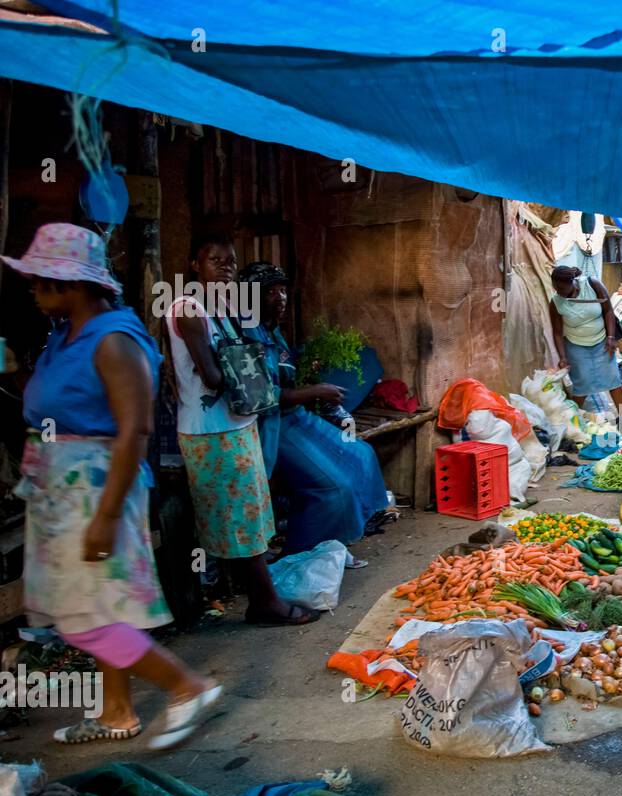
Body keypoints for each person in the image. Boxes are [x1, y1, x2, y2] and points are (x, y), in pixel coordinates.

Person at [3, 223, 221, 747]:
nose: (33, 292)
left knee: (83, 618)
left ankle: (187, 687)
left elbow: (135, 430)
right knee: (94, 605)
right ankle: (116, 713)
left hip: (94, 490)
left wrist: (104, 515)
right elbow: (48, 407)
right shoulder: (66, 336)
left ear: (75, 286)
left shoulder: (115, 339)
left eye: (41, 282)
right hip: (61, 488)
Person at [165, 233, 319, 626]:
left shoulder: (226, 306)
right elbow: (214, 377)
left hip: (238, 423)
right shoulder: (187, 309)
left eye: (231, 261)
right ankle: (264, 602)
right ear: (194, 265)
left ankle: (255, 596)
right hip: (211, 431)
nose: (226, 267)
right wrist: (249, 371)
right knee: (239, 517)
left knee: (246, 514)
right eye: (214, 259)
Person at [239, 262, 390, 555]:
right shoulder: (246, 336)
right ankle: (304, 554)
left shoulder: (272, 331)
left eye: (283, 291)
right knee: (335, 488)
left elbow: (286, 368)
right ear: (251, 296)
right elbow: (263, 397)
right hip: (273, 426)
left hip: (297, 416)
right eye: (271, 292)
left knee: (361, 454)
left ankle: (341, 539)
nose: (281, 298)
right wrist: (316, 391)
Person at [547, 265, 622, 417]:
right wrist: (563, 357)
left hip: (602, 342)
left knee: (613, 381)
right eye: (556, 287)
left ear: (572, 282)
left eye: (562, 288)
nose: (559, 291)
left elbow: (608, 310)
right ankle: (576, 423)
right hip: (575, 346)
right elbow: (557, 332)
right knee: (582, 385)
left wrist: (611, 337)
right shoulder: (556, 302)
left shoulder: (592, 285)